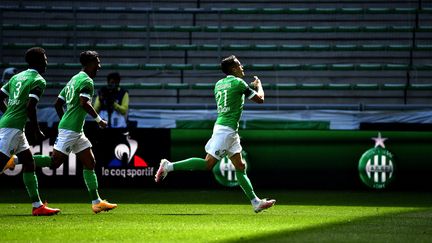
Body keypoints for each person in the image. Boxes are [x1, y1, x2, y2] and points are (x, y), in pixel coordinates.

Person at [155, 55, 276, 213]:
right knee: (208, 164)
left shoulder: (219, 84)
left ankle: (255, 202)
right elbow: (260, 99)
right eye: (239, 65)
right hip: (226, 130)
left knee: (240, 166)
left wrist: (247, 87)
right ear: (233, 68)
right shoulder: (239, 83)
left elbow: (233, 97)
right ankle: (168, 166)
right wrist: (259, 85)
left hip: (227, 129)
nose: (242, 67)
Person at [31, 50, 117, 213]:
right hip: (71, 129)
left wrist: (65, 120)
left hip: (75, 129)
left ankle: (96, 202)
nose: (99, 65)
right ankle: (15, 160)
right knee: (55, 162)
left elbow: (58, 104)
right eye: (97, 61)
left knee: (90, 162)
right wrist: (99, 120)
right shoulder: (87, 81)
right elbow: (84, 103)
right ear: (90, 62)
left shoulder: (74, 79)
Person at [0, 47, 60, 216]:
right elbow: (31, 106)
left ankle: (37, 206)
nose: (47, 62)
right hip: (13, 128)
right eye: (45, 58)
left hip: (12, 125)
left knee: (28, 162)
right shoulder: (38, 80)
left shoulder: (16, 77)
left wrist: (8, 113)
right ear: (38, 61)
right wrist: (36, 128)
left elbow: (0, 96)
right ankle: (37, 206)